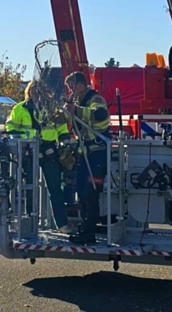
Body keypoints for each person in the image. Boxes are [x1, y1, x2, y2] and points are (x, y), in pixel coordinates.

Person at [7, 81, 72, 234]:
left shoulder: (53, 110)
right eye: (34, 90)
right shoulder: (20, 108)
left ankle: (61, 224)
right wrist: (18, 141)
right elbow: (11, 127)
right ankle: (30, 222)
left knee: (55, 188)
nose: (36, 93)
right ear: (28, 92)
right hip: (29, 151)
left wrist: (66, 144)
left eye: (39, 90)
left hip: (49, 151)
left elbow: (62, 129)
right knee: (30, 187)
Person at [63, 70, 110, 245]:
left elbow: (100, 115)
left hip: (98, 155)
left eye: (71, 87)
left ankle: (89, 233)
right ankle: (85, 230)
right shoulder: (78, 100)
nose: (70, 91)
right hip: (85, 156)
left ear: (80, 86)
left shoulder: (94, 100)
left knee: (90, 194)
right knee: (82, 193)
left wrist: (77, 110)